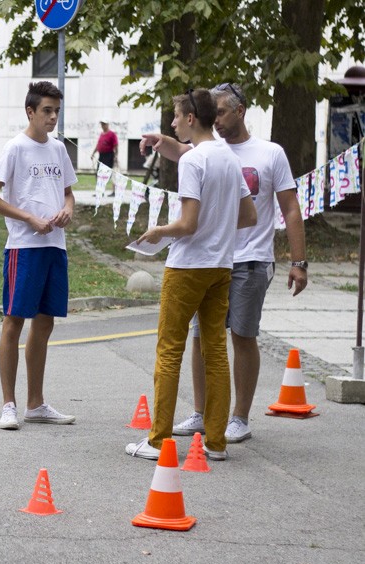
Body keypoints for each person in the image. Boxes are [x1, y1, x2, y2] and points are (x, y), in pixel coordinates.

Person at [141, 83, 308, 444]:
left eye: (220, 112)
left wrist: (299, 260)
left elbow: (290, 208)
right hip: (221, 261)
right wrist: (159, 139)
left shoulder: (267, 153)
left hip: (244, 261)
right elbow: (185, 149)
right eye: (211, 113)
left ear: (240, 111)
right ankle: (208, 425)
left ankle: (233, 419)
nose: (214, 119)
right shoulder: (221, 155)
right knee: (208, 342)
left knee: (236, 338)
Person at [126, 89, 256, 461]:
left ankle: (156, 442)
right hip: (221, 266)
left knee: (169, 351)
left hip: (187, 267)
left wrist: (157, 232)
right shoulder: (229, 159)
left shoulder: (193, 162)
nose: (171, 122)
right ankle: (216, 442)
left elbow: (187, 224)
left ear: (191, 119)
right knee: (215, 350)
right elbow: (249, 217)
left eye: (175, 116)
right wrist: (218, 228)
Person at [0, 81, 78, 431]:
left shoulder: (58, 150)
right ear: (30, 112)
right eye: (47, 111)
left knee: (46, 322)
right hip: (24, 247)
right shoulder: (16, 148)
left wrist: (67, 209)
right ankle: (9, 404)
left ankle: (36, 404)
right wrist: (27, 217)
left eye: (56, 111)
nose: (52, 117)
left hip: (55, 246)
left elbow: (68, 194)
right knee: (14, 321)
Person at [90, 120, 118, 195]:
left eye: (104, 124)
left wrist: (116, 156)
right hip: (101, 156)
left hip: (109, 155)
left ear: (107, 124)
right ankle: (100, 191)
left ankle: (114, 191)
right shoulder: (102, 134)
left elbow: (115, 145)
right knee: (99, 173)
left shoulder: (112, 134)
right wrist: (93, 153)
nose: (102, 126)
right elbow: (98, 145)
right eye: (102, 124)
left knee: (109, 173)